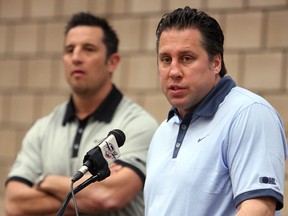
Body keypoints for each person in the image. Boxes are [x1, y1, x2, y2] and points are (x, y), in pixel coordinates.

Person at [4, 12, 158, 216]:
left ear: (112, 62)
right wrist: (86, 195)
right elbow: (14, 203)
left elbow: (108, 196)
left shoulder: (136, 125)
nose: (76, 57)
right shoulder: (43, 128)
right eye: (69, 50)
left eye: (88, 49)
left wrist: (44, 181)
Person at [144, 6, 287, 216]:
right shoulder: (163, 132)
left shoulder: (249, 113)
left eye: (186, 58)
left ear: (216, 62)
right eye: (166, 59)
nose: (174, 71)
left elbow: (259, 210)